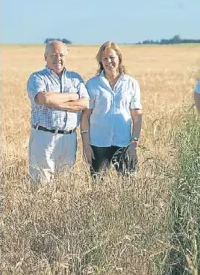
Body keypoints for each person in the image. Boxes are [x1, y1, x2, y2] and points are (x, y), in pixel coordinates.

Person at [27, 40, 90, 184]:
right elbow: (44, 98)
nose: (58, 59)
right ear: (45, 57)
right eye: (53, 55)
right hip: (44, 137)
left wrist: (56, 103)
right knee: (41, 184)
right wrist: (73, 97)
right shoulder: (37, 77)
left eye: (61, 55)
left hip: (69, 138)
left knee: (65, 185)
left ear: (66, 56)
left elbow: (85, 103)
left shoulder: (75, 78)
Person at [80, 41, 143, 177]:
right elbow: (85, 116)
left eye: (112, 57)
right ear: (100, 62)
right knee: (98, 187)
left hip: (124, 143)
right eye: (105, 58)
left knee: (129, 185)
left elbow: (137, 116)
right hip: (98, 144)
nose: (109, 61)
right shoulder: (92, 84)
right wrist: (86, 146)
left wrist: (134, 143)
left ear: (119, 58)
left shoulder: (131, 84)